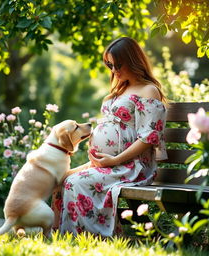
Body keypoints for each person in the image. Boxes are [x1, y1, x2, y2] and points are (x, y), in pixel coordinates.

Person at [51, 37, 168, 237]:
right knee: (60, 180)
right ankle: (59, 235)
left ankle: (88, 237)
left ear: (132, 61)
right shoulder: (121, 88)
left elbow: (148, 137)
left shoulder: (148, 90)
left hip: (132, 166)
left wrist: (114, 159)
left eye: (118, 64)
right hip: (107, 164)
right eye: (110, 65)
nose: (114, 70)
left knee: (74, 183)